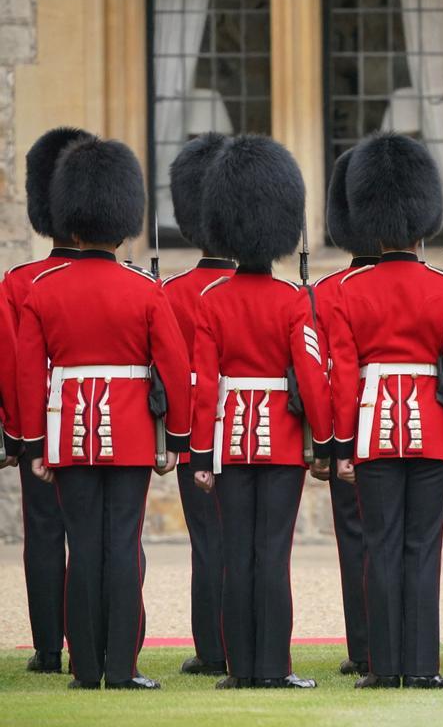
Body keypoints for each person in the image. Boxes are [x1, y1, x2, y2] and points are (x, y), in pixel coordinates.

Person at [17, 135, 192, 690]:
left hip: (68, 434)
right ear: (121, 219)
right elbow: (173, 364)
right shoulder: (143, 290)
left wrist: (31, 445)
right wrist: (179, 440)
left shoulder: (43, 289)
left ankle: (84, 669)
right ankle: (122, 667)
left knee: (83, 547)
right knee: (122, 546)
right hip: (133, 435)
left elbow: (27, 375)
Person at [326, 132, 443, 689]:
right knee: (423, 549)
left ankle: (382, 665)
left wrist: (341, 445)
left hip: (370, 433)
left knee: (379, 547)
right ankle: (421, 667)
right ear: (422, 222)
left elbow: (344, 375)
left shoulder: (350, 290)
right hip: (432, 435)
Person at [188, 135, 334, 690]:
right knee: (273, 555)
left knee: (234, 557)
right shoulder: (293, 300)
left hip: (226, 440)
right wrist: (324, 442)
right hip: (277, 441)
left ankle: (238, 669)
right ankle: (273, 669)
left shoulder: (211, 300)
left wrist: (201, 452)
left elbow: (203, 384)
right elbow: (313, 378)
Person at [5, 127, 89, 675]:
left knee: (44, 534)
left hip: (40, 423)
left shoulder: (21, 281)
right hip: (98, 423)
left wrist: (18, 435)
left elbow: (14, 368)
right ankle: (97, 636)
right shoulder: (120, 279)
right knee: (100, 533)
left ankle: (47, 648)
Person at [160, 133, 237, 677]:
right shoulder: (264, 289)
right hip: (254, 432)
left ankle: (211, 648)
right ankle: (246, 644)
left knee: (206, 543)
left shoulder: (172, 292)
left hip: (193, 433)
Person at [310, 147, 375, 678]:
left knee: (356, 538)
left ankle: (364, 647)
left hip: (351, 435)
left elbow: (329, 375)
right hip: (410, 430)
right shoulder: (433, 286)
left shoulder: (329, 291)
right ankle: (406, 643)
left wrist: (331, 445)